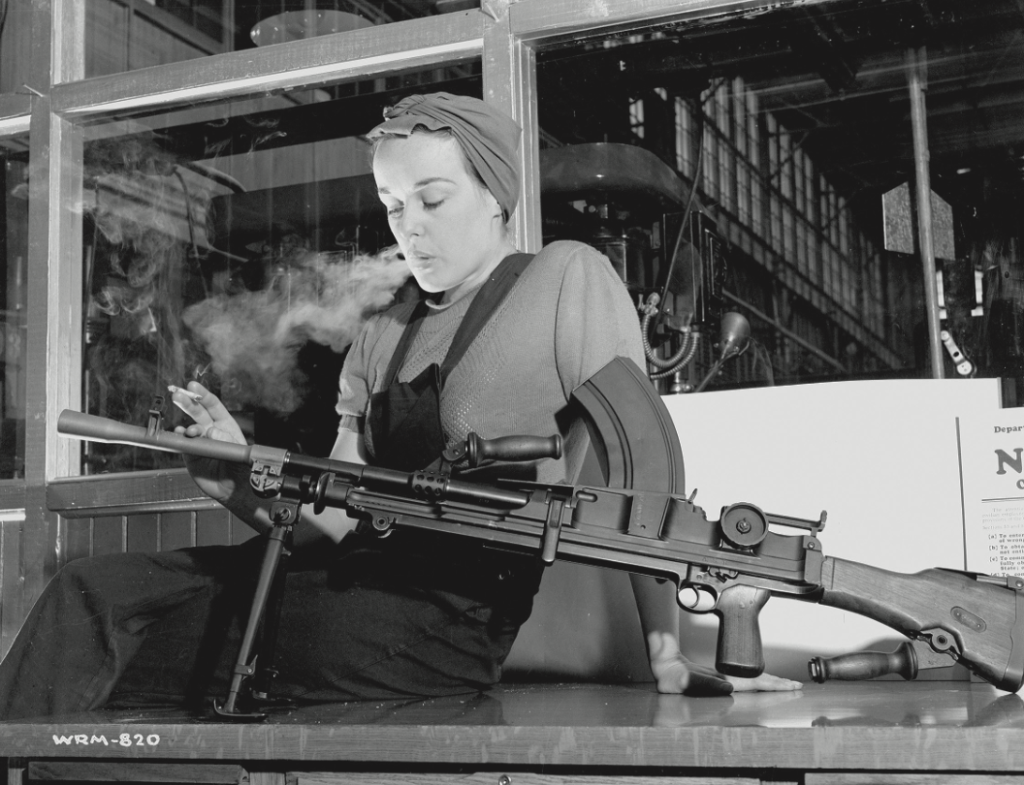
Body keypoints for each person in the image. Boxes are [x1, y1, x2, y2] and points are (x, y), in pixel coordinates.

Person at [0, 93, 797, 721]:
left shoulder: (564, 277)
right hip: (346, 582)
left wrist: (666, 654)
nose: (409, 227)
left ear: (495, 195)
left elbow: (642, 482)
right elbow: (332, 521)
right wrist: (235, 482)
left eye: (432, 199)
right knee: (89, 594)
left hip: (445, 617)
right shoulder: (384, 330)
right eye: (391, 205)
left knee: (147, 649)